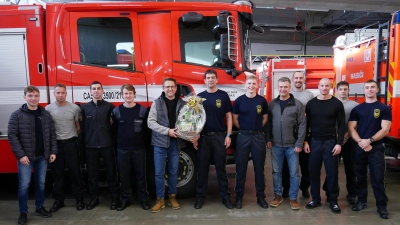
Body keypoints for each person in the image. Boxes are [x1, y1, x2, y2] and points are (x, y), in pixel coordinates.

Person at [8, 85, 57, 225]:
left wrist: (53, 151)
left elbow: (52, 134)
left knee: (41, 183)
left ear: (39, 97)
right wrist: (21, 155)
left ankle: (39, 207)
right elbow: (12, 136)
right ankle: (23, 212)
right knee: (24, 185)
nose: (33, 98)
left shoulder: (45, 114)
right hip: (26, 158)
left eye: (36, 96)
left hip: (42, 157)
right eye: (30, 96)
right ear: (25, 97)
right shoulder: (16, 115)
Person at [348, 79, 392, 219]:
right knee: (359, 176)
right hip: (360, 147)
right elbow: (351, 128)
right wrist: (361, 142)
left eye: (373, 87)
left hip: (376, 148)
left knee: (377, 178)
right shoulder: (357, 109)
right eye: (367, 87)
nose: (370, 90)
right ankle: (361, 201)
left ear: (377, 90)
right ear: (364, 90)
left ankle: (381, 206)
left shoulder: (384, 108)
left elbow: (385, 129)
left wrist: (370, 141)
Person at [193, 69, 233, 209]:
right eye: (208, 78)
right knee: (202, 170)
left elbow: (229, 116)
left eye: (213, 77)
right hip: (203, 138)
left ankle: (226, 198)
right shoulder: (199, 97)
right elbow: (195, 118)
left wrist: (228, 135)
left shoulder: (223, 96)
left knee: (221, 170)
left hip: (219, 137)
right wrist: (195, 135)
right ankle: (200, 198)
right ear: (204, 80)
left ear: (217, 80)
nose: (210, 80)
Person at [304, 78, 345, 214]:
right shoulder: (311, 104)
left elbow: (341, 125)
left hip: (331, 143)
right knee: (313, 172)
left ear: (330, 87)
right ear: (318, 86)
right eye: (322, 85)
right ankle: (315, 199)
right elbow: (306, 124)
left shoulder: (337, 103)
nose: (324, 88)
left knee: (332, 172)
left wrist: (339, 144)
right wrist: (305, 141)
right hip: (314, 142)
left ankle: (333, 200)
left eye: (327, 86)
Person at [266, 77, 306, 210]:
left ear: (290, 87)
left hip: (292, 146)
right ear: (278, 87)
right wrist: (268, 139)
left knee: (294, 172)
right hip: (276, 145)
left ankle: (293, 197)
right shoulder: (272, 103)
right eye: (281, 87)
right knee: (276, 172)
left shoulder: (297, 104)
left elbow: (302, 125)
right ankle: (277, 196)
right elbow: (268, 123)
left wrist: (299, 143)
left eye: (286, 87)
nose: (283, 89)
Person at [148, 77, 186, 213]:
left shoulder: (183, 104)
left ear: (176, 88)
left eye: (172, 86)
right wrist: (167, 131)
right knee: (159, 173)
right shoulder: (156, 103)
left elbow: (188, 122)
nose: (170, 89)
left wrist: (192, 134)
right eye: (167, 87)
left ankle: (172, 197)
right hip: (159, 143)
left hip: (176, 143)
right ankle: (160, 199)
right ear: (163, 88)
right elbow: (150, 122)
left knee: (174, 171)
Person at [46, 84, 86, 212]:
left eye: (62, 92)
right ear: (54, 94)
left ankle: (79, 199)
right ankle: (59, 200)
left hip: (71, 144)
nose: (60, 95)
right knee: (57, 175)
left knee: (76, 173)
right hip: (56, 146)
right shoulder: (48, 109)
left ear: (66, 93)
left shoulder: (74, 108)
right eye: (58, 92)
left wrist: (71, 137)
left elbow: (78, 127)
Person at [80, 81, 120, 210]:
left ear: (102, 91)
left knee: (111, 173)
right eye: (94, 89)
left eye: (98, 89)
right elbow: (82, 128)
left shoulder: (110, 107)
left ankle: (115, 198)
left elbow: (114, 127)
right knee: (92, 175)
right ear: (90, 92)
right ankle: (93, 199)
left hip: (107, 145)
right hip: (91, 146)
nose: (96, 91)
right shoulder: (85, 108)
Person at [232, 74, 269, 209]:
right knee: (241, 168)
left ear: (257, 85)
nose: (251, 86)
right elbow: (235, 119)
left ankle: (261, 197)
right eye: (249, 84)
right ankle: (238, 198)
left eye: (254, 84)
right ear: (245, 85)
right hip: (243, 136)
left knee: (259, 169)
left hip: (258, 137)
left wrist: (257, 129)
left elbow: (265, 118)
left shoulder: (262, 101)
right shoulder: (239, 101)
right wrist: (243, 129)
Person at [112, 84, 150, 211]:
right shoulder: (116, 111)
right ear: (122, 95)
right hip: (122, 149)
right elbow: (114, 130)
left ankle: (143, 199)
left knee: (141, 175)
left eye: (130, 93)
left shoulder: (142, 110)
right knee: (124, 176)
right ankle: (126, 200)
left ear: (134, 94)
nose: (128, 95)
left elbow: (146, 130)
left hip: (138, 149)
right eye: (125, 93)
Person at [322, 81, 358, 204]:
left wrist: (347, 135)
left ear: (348, 90)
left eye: (345, 89)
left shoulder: (355, 106)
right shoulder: (331, 103)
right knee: (331, 167)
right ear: (336, 90)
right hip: (333, 140)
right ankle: (329, 191)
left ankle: (352, 193)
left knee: (350, 168)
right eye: (341, 89)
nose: (343, 91)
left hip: (349, 141)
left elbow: (357, 123)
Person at [281, 71, 314, 198]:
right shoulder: (286, 94)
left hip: (305, 134)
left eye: (301, 78)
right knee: (286, 166)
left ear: (303, 79)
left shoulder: (309, 95)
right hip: (289, 136)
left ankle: (305, 187)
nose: (298, 80)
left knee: (305, 165)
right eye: (296, 78)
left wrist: (306, 137)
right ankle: (286, 188)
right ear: (292, 80)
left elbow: (310, 116)